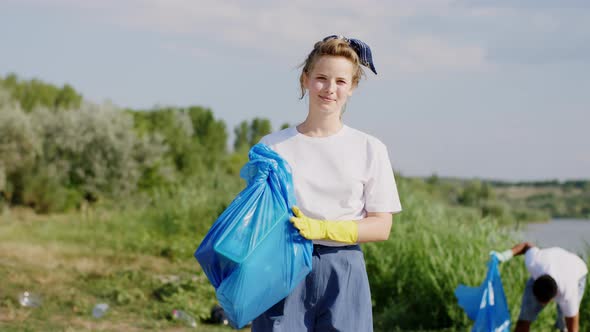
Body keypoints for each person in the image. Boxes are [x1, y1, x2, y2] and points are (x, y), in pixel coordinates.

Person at [251, 35, 402, 331]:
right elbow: (257, 217)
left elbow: (381, 226)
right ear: (305, 80)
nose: (330, 89)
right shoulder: (273, 147)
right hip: (283, 265)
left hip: (344, 269)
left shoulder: (370, 148)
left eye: (341, 81)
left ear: (353, 87)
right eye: (321, 78)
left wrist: (324, 228)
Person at [492, 242, 588, 332]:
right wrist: (504, 255)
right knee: (525, 317)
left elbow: (573, 327)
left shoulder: (568, 293)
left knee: (564, 324)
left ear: (551, 299)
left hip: (577, 270)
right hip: (548, 262)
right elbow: (526, 245)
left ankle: (561, 327)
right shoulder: (534, 263)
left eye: (542, 303)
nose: (539, 304)